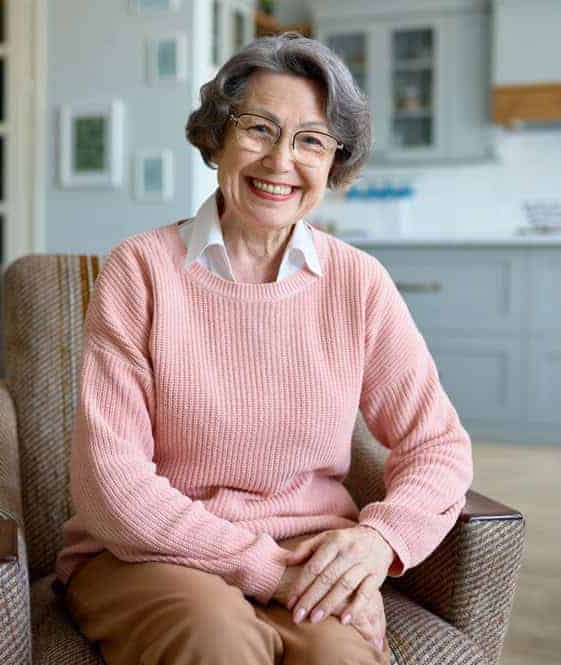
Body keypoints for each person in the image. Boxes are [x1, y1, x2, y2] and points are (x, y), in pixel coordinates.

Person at [55, 32, 473, 665]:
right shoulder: (139, 271)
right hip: (150, 554)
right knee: (216, 639)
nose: (281, 162)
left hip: (312, 554)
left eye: (311, 140)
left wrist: (377, 541)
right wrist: (269, 571)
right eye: (259, 129)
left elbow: (438, 444)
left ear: (335, 163)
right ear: (218, 136)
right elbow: (112, 483)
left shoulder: (358, 283)